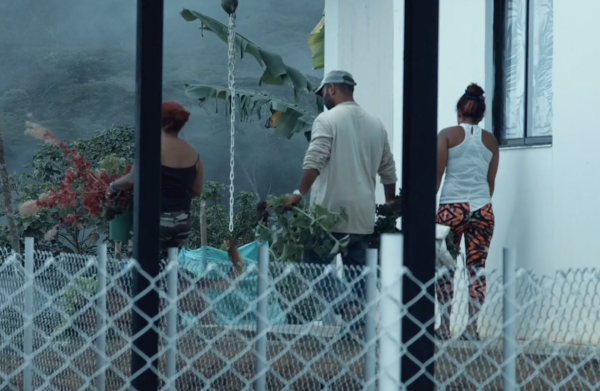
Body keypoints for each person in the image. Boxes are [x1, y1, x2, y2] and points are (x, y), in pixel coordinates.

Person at [285, 70, 397, 322]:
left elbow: (315, 160)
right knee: (358, 274)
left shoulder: (327, 120)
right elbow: (388, 171)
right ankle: (357, 328)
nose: (322, 96)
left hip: (329, 214)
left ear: (332, 89)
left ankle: (347, 307)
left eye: (323, 91)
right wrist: (390, 203)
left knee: (313, 266)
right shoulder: (376, 124)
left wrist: (297, 193)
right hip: (362, 216)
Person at [436, 83, 499, 340]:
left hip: (451, 208)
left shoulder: (447, 135)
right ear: (482, 115)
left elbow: (436, 177)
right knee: (477, 268)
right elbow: (490, 182)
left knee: (444, 268)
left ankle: (444, 325)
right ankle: (472, 328)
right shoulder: (491, 141)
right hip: (483, 208)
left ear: (459, 112)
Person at [108, 101, 204, 258]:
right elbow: (197, 190)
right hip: (182, 222)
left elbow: (133, 179)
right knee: (169, 268)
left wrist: (113, 186)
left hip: (155, 220)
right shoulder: (194, 153)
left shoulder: (152, 147)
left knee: (140, 266)